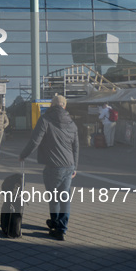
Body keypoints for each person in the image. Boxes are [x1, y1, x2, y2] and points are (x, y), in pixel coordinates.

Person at [18, 95, 79, 241]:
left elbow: (35, 140)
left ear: (52, 105)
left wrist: (23, 155)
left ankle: (56, 227)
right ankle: (61, 226)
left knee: (54, 198)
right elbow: (76, 146)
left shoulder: (45, 119)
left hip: (54, 166)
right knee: (64, 198)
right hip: (69, 165)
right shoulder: (72, 123)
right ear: (64, 106)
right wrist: (75, 166)